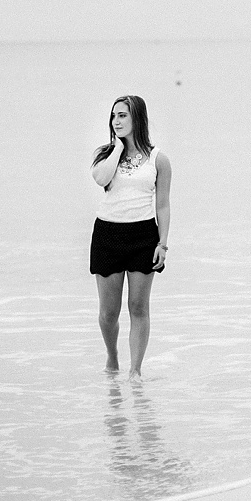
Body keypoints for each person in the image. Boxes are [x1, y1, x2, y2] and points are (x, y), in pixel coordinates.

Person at [90, 95, 171, 378]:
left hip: (143, 235)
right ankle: (112, 357)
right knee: (108, 314)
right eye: (114, 116)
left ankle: (135, 371)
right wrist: (118, 147)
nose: (117, 121)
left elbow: (162, 205)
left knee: (138, 308)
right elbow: (101, 179)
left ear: (137, 119)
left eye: (123, 115)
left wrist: (162, 243)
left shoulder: (158, 159)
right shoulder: (104, 155)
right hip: (108, 234)